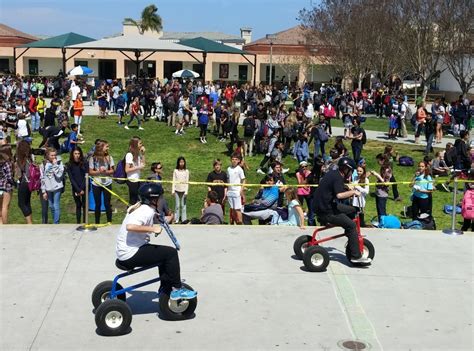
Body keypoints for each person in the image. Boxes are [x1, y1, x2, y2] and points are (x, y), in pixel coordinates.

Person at [115, 183, 197, 300]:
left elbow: (157, 219)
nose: (162, 200)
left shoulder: (143, 208)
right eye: (160, 198)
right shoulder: (145, 211)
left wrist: (168, 218)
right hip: (130, 253)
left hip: (127, 251)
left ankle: (165, 287)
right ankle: (177, 289)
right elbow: (130, 226)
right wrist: (152, 228)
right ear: (153, 199)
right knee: (170, 253)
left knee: (163, 256)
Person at [313, 157, 370, 264]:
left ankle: (351, 236)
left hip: (324, 206)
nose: (351, 173)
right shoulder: (338, 177)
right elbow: (339, 195)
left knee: (353, 209)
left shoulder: (334, 173)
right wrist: (353, 192)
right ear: (346, 169)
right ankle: (355, 256)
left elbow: (335, 189)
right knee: (352, 225)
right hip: (326, 211)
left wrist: (347, 188)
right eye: (351, 171)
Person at [88, 140, 114, 224]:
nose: (108, 148)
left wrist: (106, 171)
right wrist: (99, 171)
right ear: (101, 147)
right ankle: (97, 222)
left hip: (107, 183)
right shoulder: (93, 158)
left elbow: (113, 170)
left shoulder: (109, 157)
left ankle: (109, 222)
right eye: (106, 146)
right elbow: (91, 172)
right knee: (97, 204)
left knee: (107, 203)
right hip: (97, 183)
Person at [40, 147, 64, 224]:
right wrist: (44, 191)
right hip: (48, 188)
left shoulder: (59, 163)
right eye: (52, 155)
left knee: (56, 204)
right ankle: (55, 220)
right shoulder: (43, 164)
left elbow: (59, 175)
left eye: (55, 155)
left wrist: (55, 165)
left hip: (57, 187)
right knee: (51, 206)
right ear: (47, 155)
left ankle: (56, 223)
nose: (54, 157)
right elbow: (42, 178)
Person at [13, 140, 34, 224]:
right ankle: (30, 222)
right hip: (30, 182)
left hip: (24, 182)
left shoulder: (20, 160)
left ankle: (29, 223)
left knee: (21, 203)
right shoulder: (29, 157)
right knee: (27, 202)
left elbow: (18, 174)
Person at [66, 146, 87, 224]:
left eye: (78, 153)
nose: (77, 155)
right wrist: (78, 189)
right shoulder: (69, 165)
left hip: (85, 187)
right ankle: (78, 223)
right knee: (78, 205)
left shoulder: (85, 163)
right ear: (72, 154)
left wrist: (82, 188)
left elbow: (86, 176)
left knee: (85, 205)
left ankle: (85, 222)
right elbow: (71, 179)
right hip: (75, 188)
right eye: (75, 153)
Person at [125, 137, 146, 205]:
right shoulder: (129, 155)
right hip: (131, 180)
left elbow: (142, 166)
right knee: (133, 200)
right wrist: (138, 167)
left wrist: (143, 154)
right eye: (140, 143)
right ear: (135, 144)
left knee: (137, 200)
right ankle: (130, 213)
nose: (141, 145)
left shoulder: (138, 154)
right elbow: (127, 170)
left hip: (137, 179)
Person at [226, 153, 246, 224]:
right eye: (233, 159)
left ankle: (240, 222)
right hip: (230, 191)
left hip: (237, 191)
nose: (234, 161)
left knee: (238, 209)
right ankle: (233, 223)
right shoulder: (228, 169)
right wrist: (227, 190)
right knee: (232, 209)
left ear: (238, 161)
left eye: (236, 159)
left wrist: (241, 189)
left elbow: (243, 180)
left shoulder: (239, 169)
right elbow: (228, 180)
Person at [172, 156, 189, 224]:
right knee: (177, 205)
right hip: (177, 190)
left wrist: (186, 191)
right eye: (180, 162)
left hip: (184, 190)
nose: (181, 163)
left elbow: (187, 181)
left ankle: (184, 219)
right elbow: (174, 180)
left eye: (183, 162)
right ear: (178, 163)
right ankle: (176, 219)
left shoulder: (186, 171)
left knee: (183, 205)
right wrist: (173, 190)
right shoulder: (175, 171)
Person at [0, 144, 13, 224]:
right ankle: (5, 225)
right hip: (5, 186)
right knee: (5, 207)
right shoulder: (6, 163)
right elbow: (9, 177)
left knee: (0, 208)